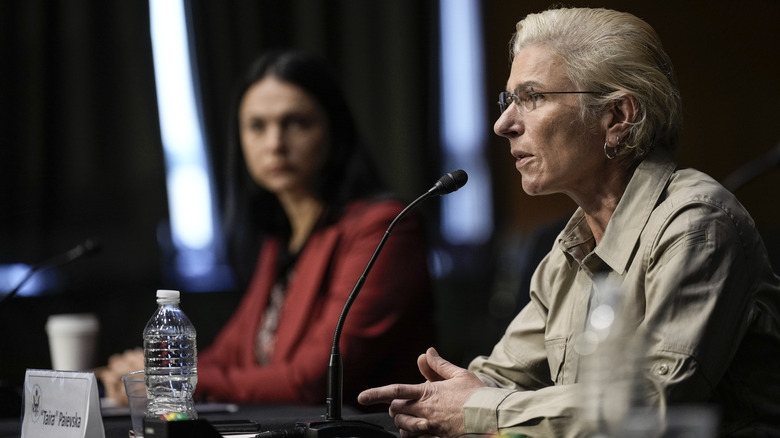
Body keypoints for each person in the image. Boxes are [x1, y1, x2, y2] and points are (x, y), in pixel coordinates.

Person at [358, 7, 780, 437]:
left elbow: (648, 402)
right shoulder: (570, 247)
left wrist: (478, 408)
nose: (503, 124)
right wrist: (441, 402)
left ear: (617, 117)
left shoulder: (699, 225)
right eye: (508, 100)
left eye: (533, 97)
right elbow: (497, 382)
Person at [99, 50, 435, 406]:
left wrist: (174, 379)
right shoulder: (280, 238)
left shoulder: (384, 228)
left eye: (297, 123)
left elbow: (315, 378)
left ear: (333, 128)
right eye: (257, 126)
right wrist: (152, 369)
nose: (275, 144)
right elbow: (229, 354)